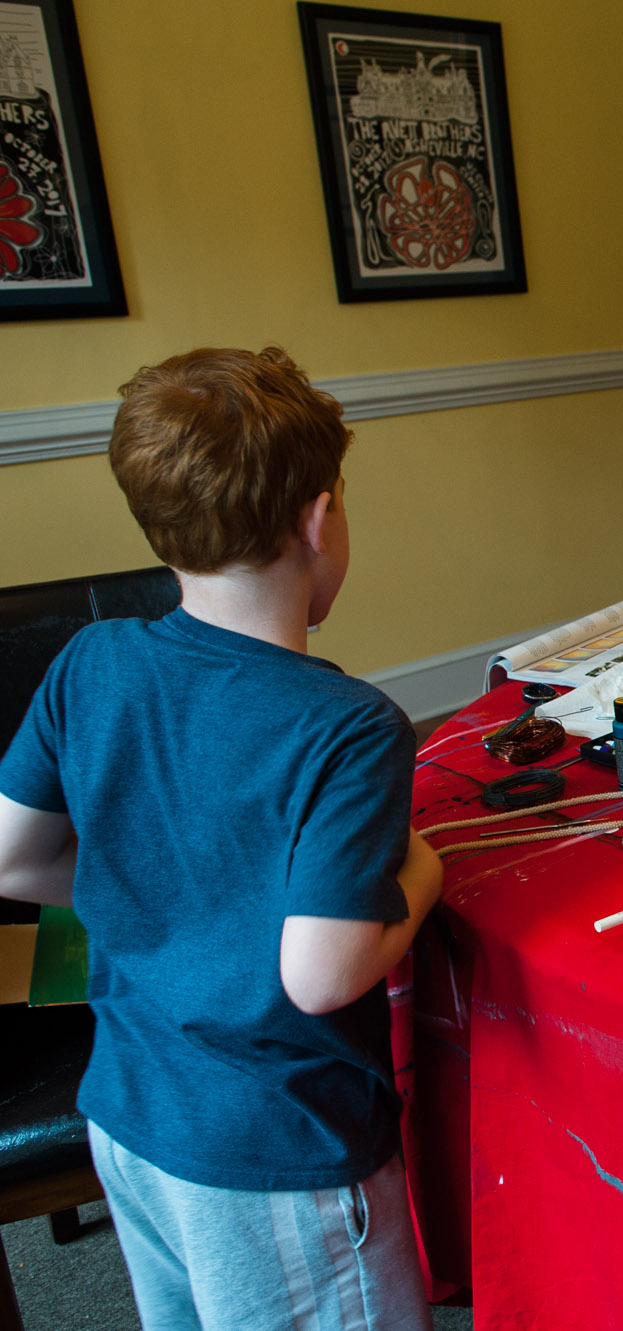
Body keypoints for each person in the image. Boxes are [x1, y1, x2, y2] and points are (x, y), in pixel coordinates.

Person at [0, 347, 441, 1329]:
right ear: (321, 518)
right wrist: (424, 865)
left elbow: (16, 856)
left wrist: (170, 898)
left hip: (127, 1114)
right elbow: (322, 975)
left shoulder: (91, 657)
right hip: (277, 1152)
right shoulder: (347, 723)